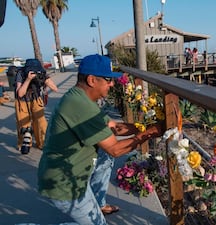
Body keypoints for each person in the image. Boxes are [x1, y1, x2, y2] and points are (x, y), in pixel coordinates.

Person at [37, 54, 164, 225]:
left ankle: (98, 202)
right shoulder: (80, 105)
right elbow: (115, 149)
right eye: (108, 80)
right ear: (92, 80)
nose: (112, 84)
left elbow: (114, 127)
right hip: (65, 186)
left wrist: (144, 126)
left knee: (105, 158)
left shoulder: (81, 99)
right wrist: (149, 134)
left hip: (73, 176)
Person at [15, 58, 58, 154]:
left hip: (36, 97)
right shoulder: (21, 73)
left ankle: (42, 143)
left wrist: (45, 80)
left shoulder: (41, 73)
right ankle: (23, 143)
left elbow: (55, 89)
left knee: (41, 122)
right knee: (23, 123)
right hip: (22, 100)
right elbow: (20, 94)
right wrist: (28, 79)